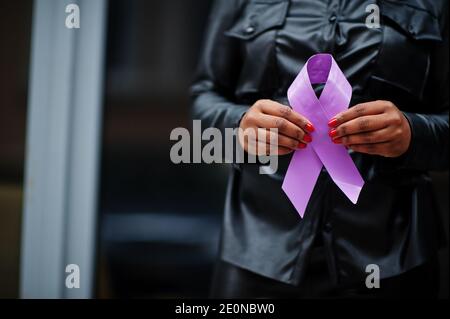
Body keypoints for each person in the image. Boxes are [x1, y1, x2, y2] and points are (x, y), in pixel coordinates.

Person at [191, 0, 448, 298]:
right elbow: (204, 96)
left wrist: (414, 133)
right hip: (259, 249)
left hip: (393, 255)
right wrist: (238, 126)